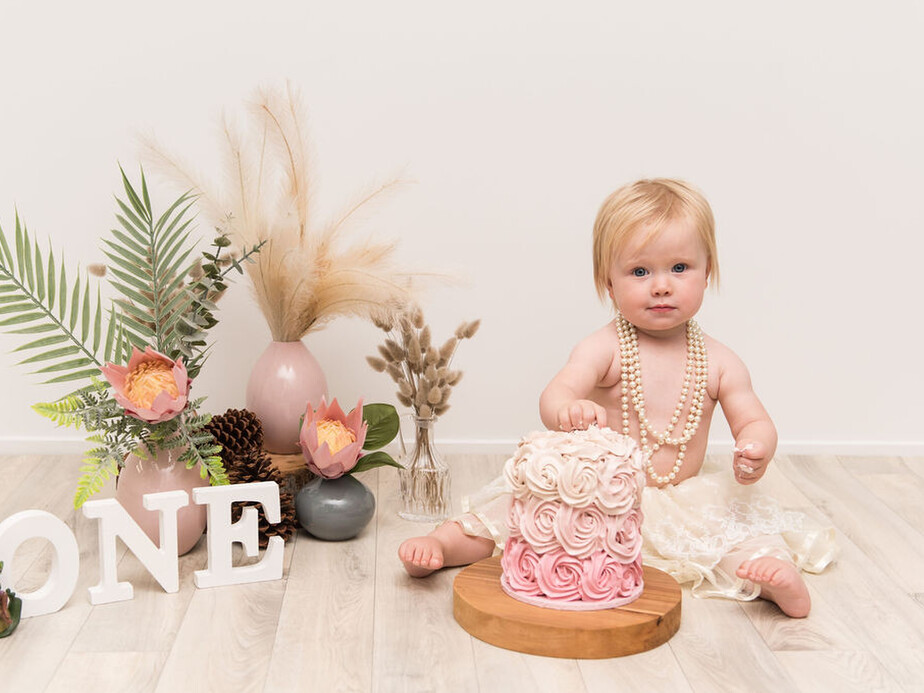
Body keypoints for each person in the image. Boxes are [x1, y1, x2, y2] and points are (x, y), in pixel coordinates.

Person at [398, 178, 836, 618]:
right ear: (608, 283)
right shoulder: (604, 348)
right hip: (597, 497)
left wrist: (756, 447)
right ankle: (442, 543)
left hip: (685, 495)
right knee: (505, 512)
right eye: (640, 272)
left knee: (735, 533)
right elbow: (557, 393)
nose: (661, 286)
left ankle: (772, 579)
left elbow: (753, 420)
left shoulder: (720, 361)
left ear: (709, 273)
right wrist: (568, 409)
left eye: (680, 268)